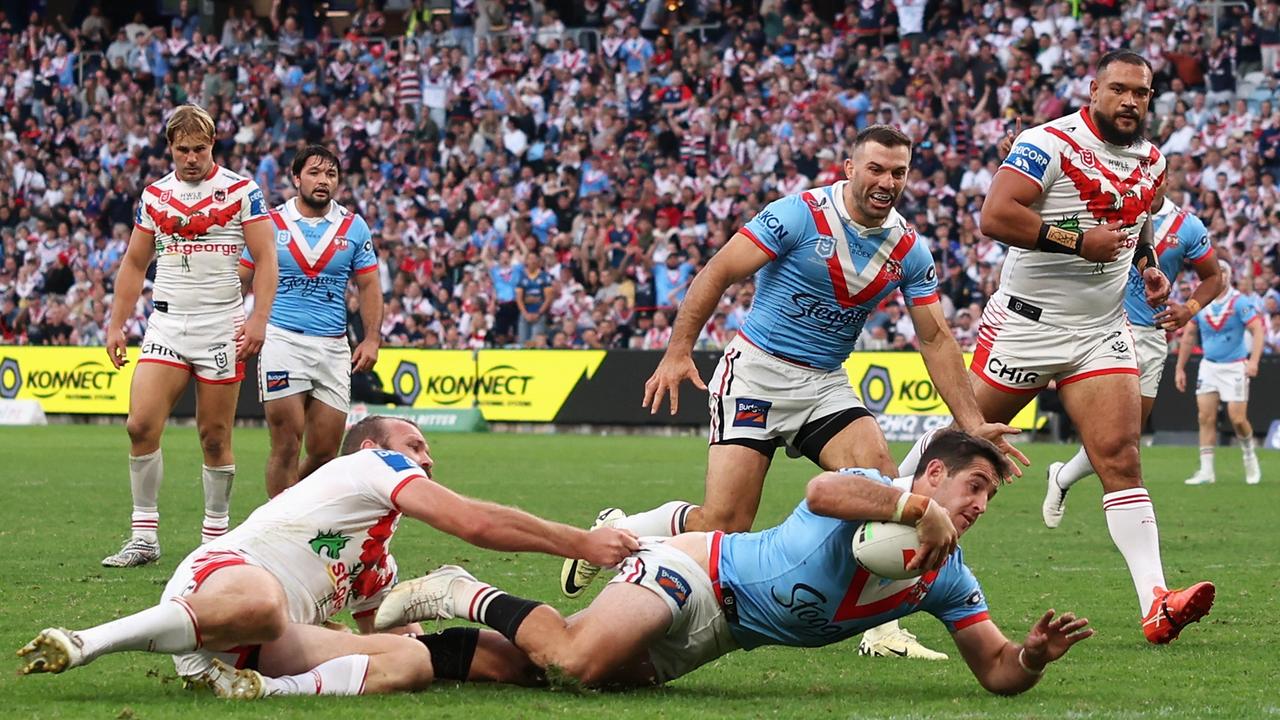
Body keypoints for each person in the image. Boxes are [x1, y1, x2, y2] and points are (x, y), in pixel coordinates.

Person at [565, 125, 1027, 661]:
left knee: (882, 482)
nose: (886, 181)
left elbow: (934, 337)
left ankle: (881, 630)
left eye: (898, 172)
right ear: (850, 168)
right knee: (726, 523)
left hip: (824, 384)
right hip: (756, 374)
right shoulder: (797, 215)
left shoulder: (907, 248)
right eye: (875, 168)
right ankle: (622, 532)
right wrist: (678, 350)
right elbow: (718, 272)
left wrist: (970, 422)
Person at [373, 432, 1094, 694]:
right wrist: (915, 509)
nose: (980, 505)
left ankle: (422, 655)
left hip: (716, 638)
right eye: (974, 487)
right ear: (931, 475)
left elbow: (995, 669)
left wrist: (1031, 657)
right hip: (696, 572)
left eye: (990, 497)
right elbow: (819, 487)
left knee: (540, 669)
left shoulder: (946, 576)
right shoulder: (873, 501)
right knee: (577, 661)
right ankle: (458, 589)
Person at [917, 50, 1215, 643]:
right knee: (959, 449)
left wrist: (1150, 264)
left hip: (1101, 330)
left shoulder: (1152, 160)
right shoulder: (1047, 142)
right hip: (1025, 325)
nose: (1131, 101)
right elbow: (994, 215)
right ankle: (882, 557)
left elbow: (1141, 218)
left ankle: (1156, 602)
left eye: (1142, 93)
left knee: (1121, 457)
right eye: (1120, 90)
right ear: (1094, 89)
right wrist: (1077, 242)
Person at [16, 416, 639, 698]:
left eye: (427, 452)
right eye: (415, 445)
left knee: (411, 663)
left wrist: (430, 632)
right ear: (374, 447)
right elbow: (474, 522)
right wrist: (580, 543)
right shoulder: (371, 463)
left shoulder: (379, 565)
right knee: (265, 603)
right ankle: (86, 640)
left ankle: (259, 690)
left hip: (260, 646)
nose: (426, 459)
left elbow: (383, 636)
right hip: (219, 585)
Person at [101, 104, 278, 568]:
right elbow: (135, 263)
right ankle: (143, 536)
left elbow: (266, 258)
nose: (192, 158)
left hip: (221, 324)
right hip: (166, 322)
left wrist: (258, 318)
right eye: (183, 150)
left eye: (200, 149)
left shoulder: (242, 191)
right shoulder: (155, 196)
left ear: (212, 145)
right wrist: (117, 322)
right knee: (139, 424)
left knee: (215, 436)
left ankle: (214, 538)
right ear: (170, 149)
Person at [1043, 198, 1222, 523]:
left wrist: (1189, 310)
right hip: (1105, 328)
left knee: (1127, 438)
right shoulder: (1111, 209)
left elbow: (1214, 277)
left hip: (1152, 334)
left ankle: (1062, 476)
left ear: (1164, 178)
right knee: (1118, 441)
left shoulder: (1188, 226)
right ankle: (1129, 515)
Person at [238, 145, 382, 498]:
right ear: (296, 178)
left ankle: (287, 513)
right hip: (282, 339)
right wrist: (232, 322)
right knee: (287, 440)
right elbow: (242, 277)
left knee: (324, 452)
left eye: (331, 175)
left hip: (333, 346)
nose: (323, 181)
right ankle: (280, 529)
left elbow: (369, 285)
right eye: (315, 173)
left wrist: (372, 338)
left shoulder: (353, 226)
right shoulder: (270, 223)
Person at [1175, 261, 1264, 485]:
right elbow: (1188, 335)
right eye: (1217, 270)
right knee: (1205, 417)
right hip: (1209, 365)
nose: (1220, 275)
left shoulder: (1239, 302)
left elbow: (1257, 329)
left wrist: (1253, 360)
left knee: (1237, 418)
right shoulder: (1200, 302)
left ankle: (1249, 454)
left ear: (1229, 275)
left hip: (1235, 365)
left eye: (1223, 271)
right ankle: (1206, 471)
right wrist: (1179, 367)